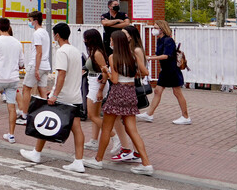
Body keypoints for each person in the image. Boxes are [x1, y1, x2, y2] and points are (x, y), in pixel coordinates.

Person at [21, 22, 87, 172]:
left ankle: (37, 153)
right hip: (75, 95)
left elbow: (62, 73)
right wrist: (54, 89)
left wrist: (55, 94)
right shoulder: (76, 51)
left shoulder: (62, 52)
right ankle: (78, 161)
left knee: (46, 121)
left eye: (54, 35)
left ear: (57, 35)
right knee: (77, 129)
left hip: (63, 96)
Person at [86, 30, 154, 175]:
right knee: (132, 130)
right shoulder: (133, 55)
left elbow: (115, 80)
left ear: (115, 42)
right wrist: (131, 73)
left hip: (118, 93)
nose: (110, 42)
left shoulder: (113, 57)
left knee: (106, 127)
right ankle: (146, 163)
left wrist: (106, 70)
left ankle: (98, 160)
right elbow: (145, 73)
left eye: (111, 40)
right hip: (130, 93)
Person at [142, 20, 191, 125]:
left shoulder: (168, 40)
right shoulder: (160, 40)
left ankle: (185, 116)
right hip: (165, 70)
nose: (153, 30)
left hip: (172, 70)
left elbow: (166, 55)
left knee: (177, 92)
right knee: (157, 91)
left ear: (162, 29)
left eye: (155, 28)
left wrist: (151, 58)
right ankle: (149, 114)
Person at [82, 28, 113, 152]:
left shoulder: (97, 53)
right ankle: (94, 140)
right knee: (95, 114)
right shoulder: (94, 51)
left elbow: (104, 71)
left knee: (92, 115)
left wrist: (100, 89)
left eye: (86, 38)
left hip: (97, 85)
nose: (84, 40)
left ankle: (114, 137)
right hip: (93, 82)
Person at [18, 10, 51, 122]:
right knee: (43, 90)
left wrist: (36, 69)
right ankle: (45, 114)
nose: (29, 22)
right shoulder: (45, 32)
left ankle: (24, 114)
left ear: (35, 21)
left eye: (30, 20)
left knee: (26, 88)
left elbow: (39, 52)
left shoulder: (37, 34)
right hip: (45, 65)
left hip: (37, 64)